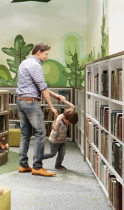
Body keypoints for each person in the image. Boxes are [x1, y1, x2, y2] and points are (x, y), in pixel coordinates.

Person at [15, 42, 61, 176]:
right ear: (39, 52)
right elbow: (42, 88)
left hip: (20, 101)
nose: (47, 57)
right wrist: (52, 107)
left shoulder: (24, 63)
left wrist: (54, 94)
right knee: (41, 133)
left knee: (25, 134)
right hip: (31, 103)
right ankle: (37, 167)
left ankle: (23, 165)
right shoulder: (36, 65)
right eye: (46, 54)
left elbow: (36, 85)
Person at [42, 96, 78, 170]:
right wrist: (55, 119)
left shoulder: (68, 115)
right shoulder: (58, 120)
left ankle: (58, 165)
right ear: (64, 118)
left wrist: (64, 101)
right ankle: (39, 157)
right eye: (69, 123)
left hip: (62, 140)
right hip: (54, 141)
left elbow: (72, 106)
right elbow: (54, 128)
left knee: (62, 153)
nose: (69, 124)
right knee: (52, 154)